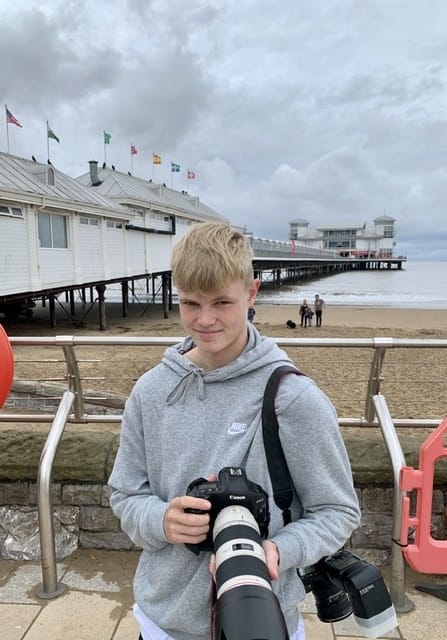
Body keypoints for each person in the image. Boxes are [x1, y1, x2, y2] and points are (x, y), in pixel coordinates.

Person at [108, 222, 360, 640]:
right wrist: (162, 520)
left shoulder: (293, 398)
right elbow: (125, 494)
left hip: (265, 618)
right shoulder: (151, 391)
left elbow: (338, 511)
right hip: (161, 620)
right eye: (190, 303)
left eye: (222, 302)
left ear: (252, 293)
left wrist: (279, 549)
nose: (205, 320)